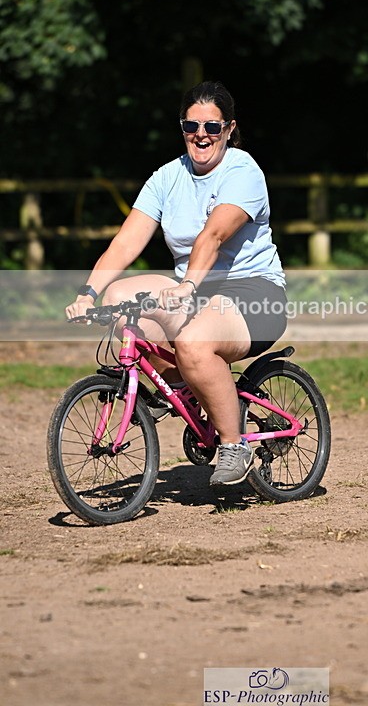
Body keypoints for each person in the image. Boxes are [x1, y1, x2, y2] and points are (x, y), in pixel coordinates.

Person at [66, 80, 287, 486]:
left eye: (212, 126)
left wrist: (187, 287)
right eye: (191, 125)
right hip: (195, 289)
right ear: (182, 127)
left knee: (193, 342)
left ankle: (234, 444)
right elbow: (126, 241)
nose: (201, 134)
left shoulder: (243, 172)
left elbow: (213, 236)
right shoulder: (167, 177)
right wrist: (87, 294)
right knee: (120, 298)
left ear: (229, 129)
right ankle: (187, 388)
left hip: (254, 292)